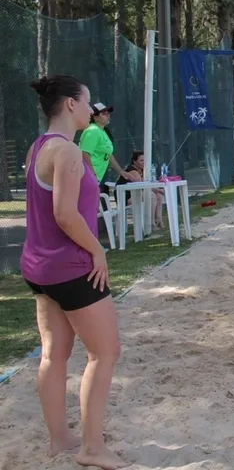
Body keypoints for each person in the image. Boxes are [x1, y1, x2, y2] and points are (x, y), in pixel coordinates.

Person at [21, 75, 127, 469]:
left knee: (54, 355)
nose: (91, 110)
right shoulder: (64, 151)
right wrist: (98, 250)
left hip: (40, 266)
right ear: (69, 104)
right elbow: (64, 215)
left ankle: (59, 439)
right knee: (105, 353)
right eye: (87, 103)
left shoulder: (38, 148)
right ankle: (92, 447)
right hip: (69, 267)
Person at [78, 102, 130, 194]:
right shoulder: (93, 131)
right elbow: (84, 153)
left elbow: (108, 155)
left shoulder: (102, 131)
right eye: (104, 113)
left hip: (93, 178)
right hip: (85, 178)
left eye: (108, 113)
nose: (108, 116)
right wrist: (92, 175)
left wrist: (121, 171)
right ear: (94, 116)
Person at [115, 150, 164, 229]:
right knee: (151, 195)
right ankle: (150, 223)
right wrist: (156, 189)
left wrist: (157, 189)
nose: (144, 162)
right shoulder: (132, 170)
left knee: (158, 195)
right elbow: (142, 185)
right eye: (141, 160)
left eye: (145, 160)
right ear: (134, 161)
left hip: (136, 194)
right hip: (125, 197)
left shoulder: (142, 170)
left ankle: (159, 220)